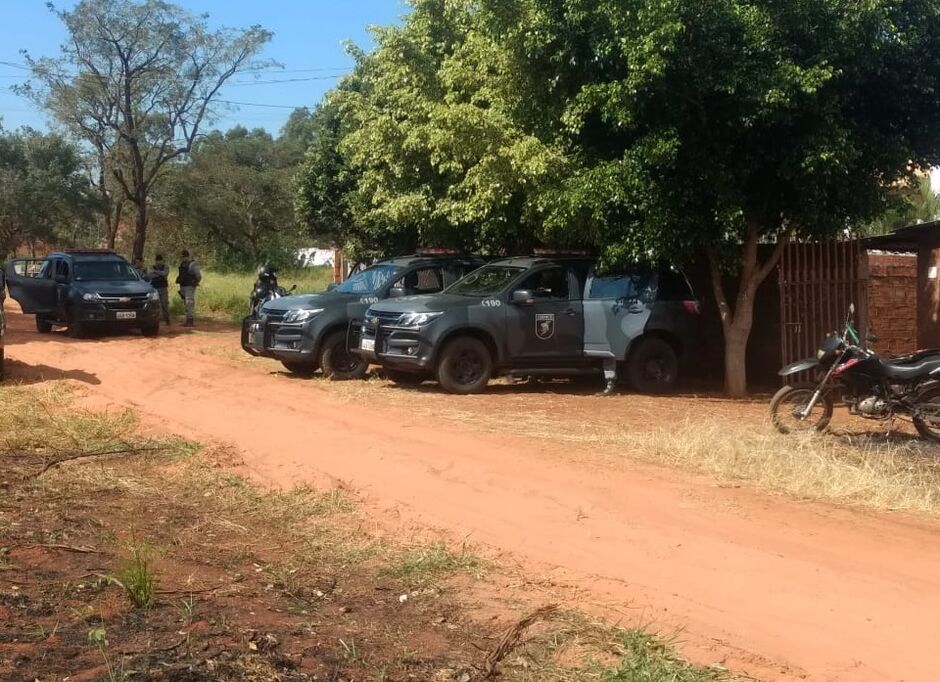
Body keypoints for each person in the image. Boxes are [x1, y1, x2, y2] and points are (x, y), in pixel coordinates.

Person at [176, 249, 202, 327]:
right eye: (182, 256)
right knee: (186, 303)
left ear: (187, 256)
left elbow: (198, 275)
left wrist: (195, 282)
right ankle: (187, 320)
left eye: (184, 256)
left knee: (189, 303)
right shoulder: (182, 264)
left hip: (190, 286)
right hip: (183, 286)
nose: (183, 258)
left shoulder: (192, 264)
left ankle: (190, 320)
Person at [149, 254, 171, 324]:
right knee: (156, 304)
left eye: (159, 260)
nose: (158, 262)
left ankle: (167, 318)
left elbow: (165, 273)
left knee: (165, 303)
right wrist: (160, 274)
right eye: (157, 261)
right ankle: (157, 319)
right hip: (155, 288)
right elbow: (150, 275)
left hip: (163, 288)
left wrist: (155, 272)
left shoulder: (165, 266)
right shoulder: (152, 267)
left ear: (162, 261)